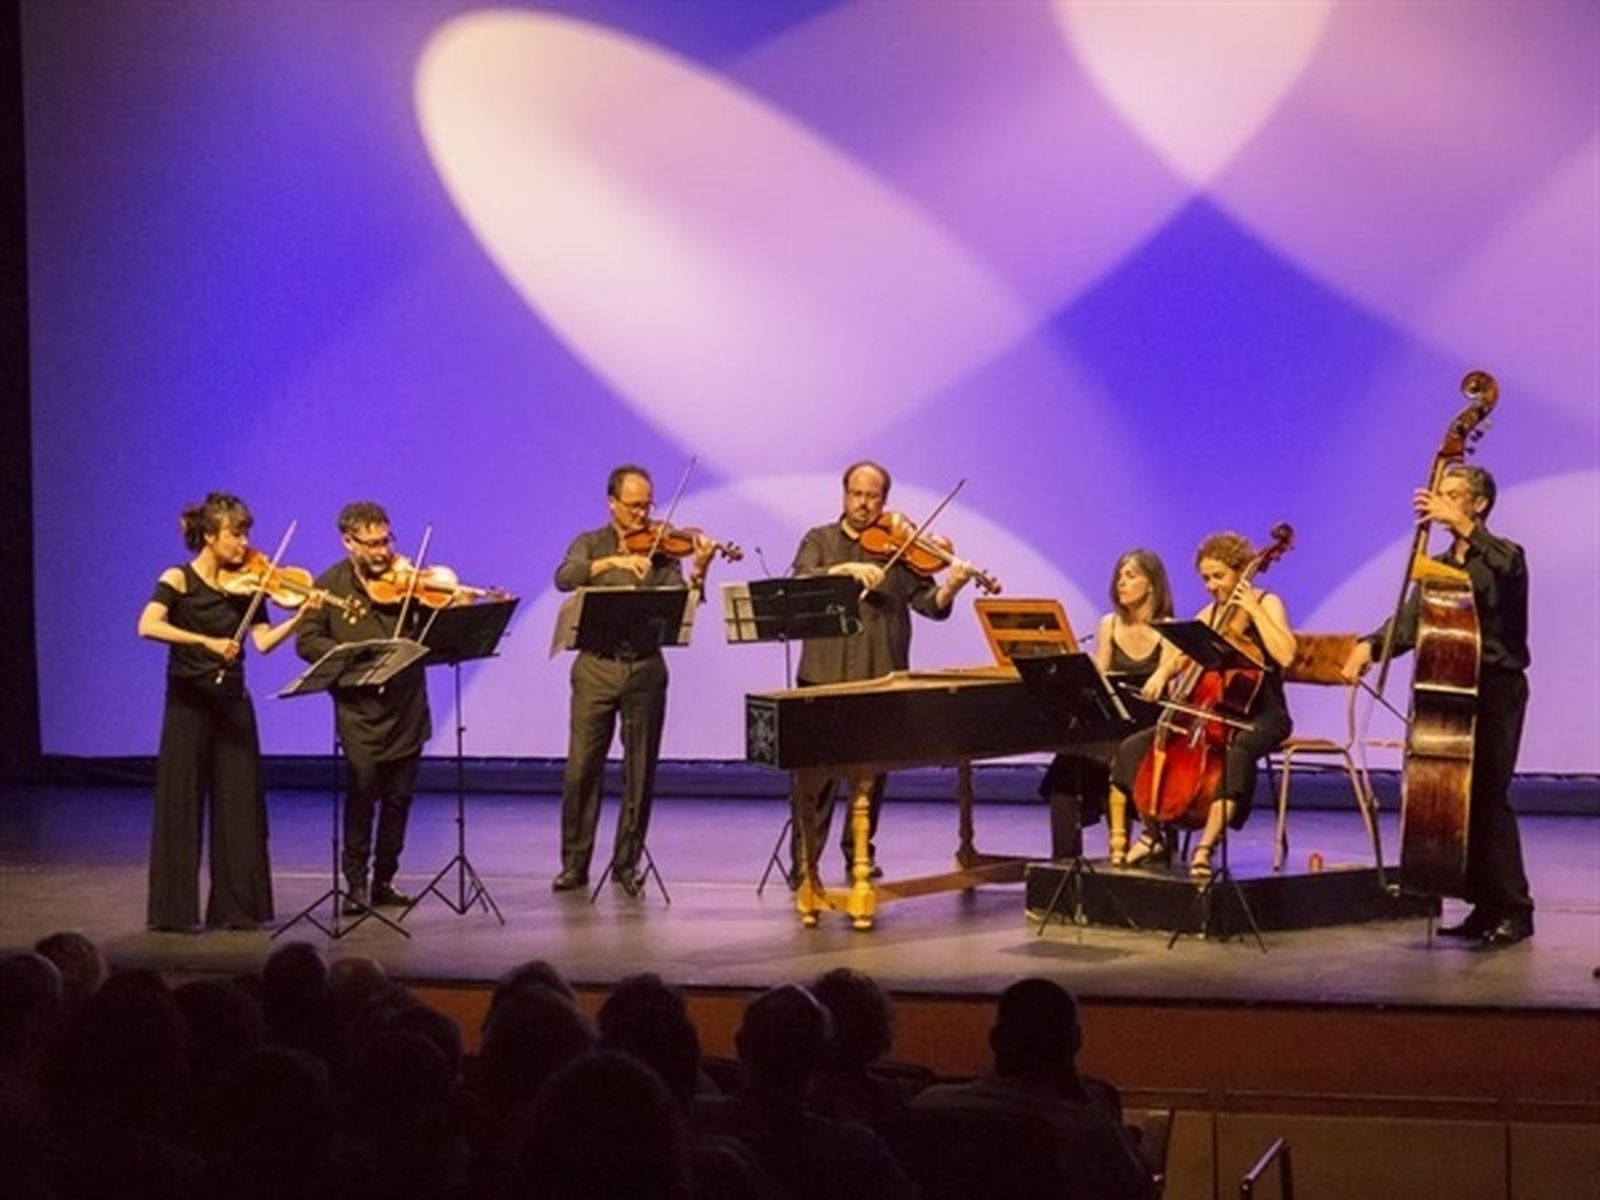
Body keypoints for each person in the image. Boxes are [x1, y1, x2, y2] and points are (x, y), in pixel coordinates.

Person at [1341, 464, 1533, 946]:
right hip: (1450, 686)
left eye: (1452, 494)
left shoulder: (1504, 555)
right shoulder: (1439, 564)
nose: (1439, 501)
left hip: (1495, 688)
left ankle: (1515, 909)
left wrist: (1464, 527)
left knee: (1489, 798)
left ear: (1479, 503)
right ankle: (1482, 905)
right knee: (1459, 803)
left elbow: (1507, 572)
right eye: (1438, 493)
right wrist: (1370, 645)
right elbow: (1410, 624)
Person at [788, 461, 974, 883]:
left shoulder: (898, 548)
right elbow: (801, 580)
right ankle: (806, 863)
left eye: (872, 496)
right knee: (814, 780)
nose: (863, 503)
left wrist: (954, 584)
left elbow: (930, 603)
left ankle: (860, 855)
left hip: (882, 676)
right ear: (844, 495)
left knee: (873, 778)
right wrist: (846, 570)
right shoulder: (819, 539)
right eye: (856, 494)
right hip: (823, 675)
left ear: (884, 500)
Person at [138, 492, 309, 932]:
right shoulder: (178, 579)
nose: (244, 542)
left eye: (246, 532)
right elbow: (148, 625)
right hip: (188, 705)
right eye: (236, 534)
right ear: (210, 536)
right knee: (182, 805)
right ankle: (173, 914)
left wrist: (303, 615)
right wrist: (206, 642)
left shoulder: (247, 584)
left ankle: (237, 910)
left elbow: (264, 642)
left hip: (233, 706)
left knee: (239, 806)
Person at [551, 465, 717, 894]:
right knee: (581, 770)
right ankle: (574, 863)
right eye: (634, 506)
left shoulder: (663, 553)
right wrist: (613, 562)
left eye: (648, 505)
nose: (644, 515)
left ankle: (627, 862)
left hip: (645, 667)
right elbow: (564, 577)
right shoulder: (590, 543)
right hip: (596, 668)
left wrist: (698, 570)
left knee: (640, 771)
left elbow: (680, 607)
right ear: (612, 504)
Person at [1107, 531, 1296, 877]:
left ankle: (1205, 846)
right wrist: (1164, 672)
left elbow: (1286, 654)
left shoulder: (1267, 602)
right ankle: (1152, 833)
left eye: (1218, 576)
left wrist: (1254, 610)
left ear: (1240, 572)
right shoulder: (1212, 612)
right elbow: (1182, 655)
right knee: (1136, 746)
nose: (1211, 585)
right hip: (1213, 712)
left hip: (1263, 713)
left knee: (1237, 752)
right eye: (1206, 578)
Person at [295, 501, 431, 913]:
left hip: (407, 708)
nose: (381, 552)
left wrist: (425, 596)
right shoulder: (328, 586)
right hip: (359, 716)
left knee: (399, 801)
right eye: (371, 544)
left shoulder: (405, 580)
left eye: (386, 541)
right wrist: (348, 652)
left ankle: (384, 880)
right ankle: (356, 883)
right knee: (362, 798)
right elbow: (306, 641)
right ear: (348, 542)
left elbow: (433, 632)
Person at [908, 978, 1155, 1200]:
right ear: (1076, 1041)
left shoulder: (927, 1105)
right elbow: (1137, 1190)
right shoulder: (1089, 1132)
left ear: (994, 1039)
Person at [1039, 549, 1174, 860]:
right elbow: (1101, 681)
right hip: (1115, 723)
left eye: (1130, 576)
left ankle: (1153, 841)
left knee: (1123, 754)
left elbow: (1167, 684)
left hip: (1148, 726)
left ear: (1151, 584)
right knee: (1065, 768)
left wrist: (1161, 675)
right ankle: (1065, 864)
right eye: (1119, 577)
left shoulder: (1168, 628)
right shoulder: (1109, 624)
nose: (1121, 584)